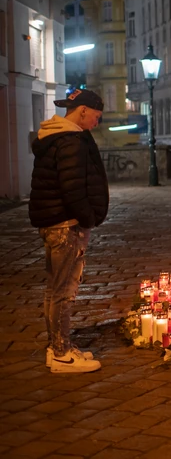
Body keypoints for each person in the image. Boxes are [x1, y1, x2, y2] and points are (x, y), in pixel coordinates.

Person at [29, 89, 109, 373]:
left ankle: (57, 347)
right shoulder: (71, 141)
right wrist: (86, 218)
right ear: (84, 111)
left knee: (54, 290)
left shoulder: (52, 136)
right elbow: (73, 187)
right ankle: (62, 354)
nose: (96, 124)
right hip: (65, 225)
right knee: (63, 291)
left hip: (53, 222)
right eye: (96, 117)